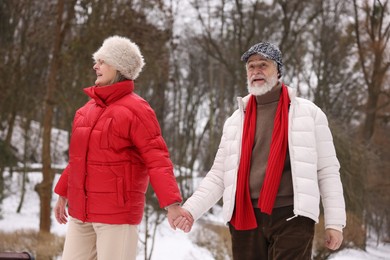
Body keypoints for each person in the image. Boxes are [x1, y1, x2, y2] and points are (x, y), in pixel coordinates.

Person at [171, 42, 346, 259]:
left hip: (293, 216)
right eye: (251, 67)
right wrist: (190, 210)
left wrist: (335, 222)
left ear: (278, 70)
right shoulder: (236, 120)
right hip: (245, 216)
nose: (256, 71)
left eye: (263, 65)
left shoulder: (309, 114)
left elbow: (327, 170)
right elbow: (218, 175)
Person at [53, 35, 192, 260]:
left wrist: (172, 204)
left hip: (117, 216)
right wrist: (62, 194)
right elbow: (79, 161)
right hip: (80, 214)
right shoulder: (85, 111)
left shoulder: (138, 110)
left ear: (119, 67)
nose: (95, 66)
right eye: (96, 61)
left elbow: (157, 159)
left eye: (102, 61)